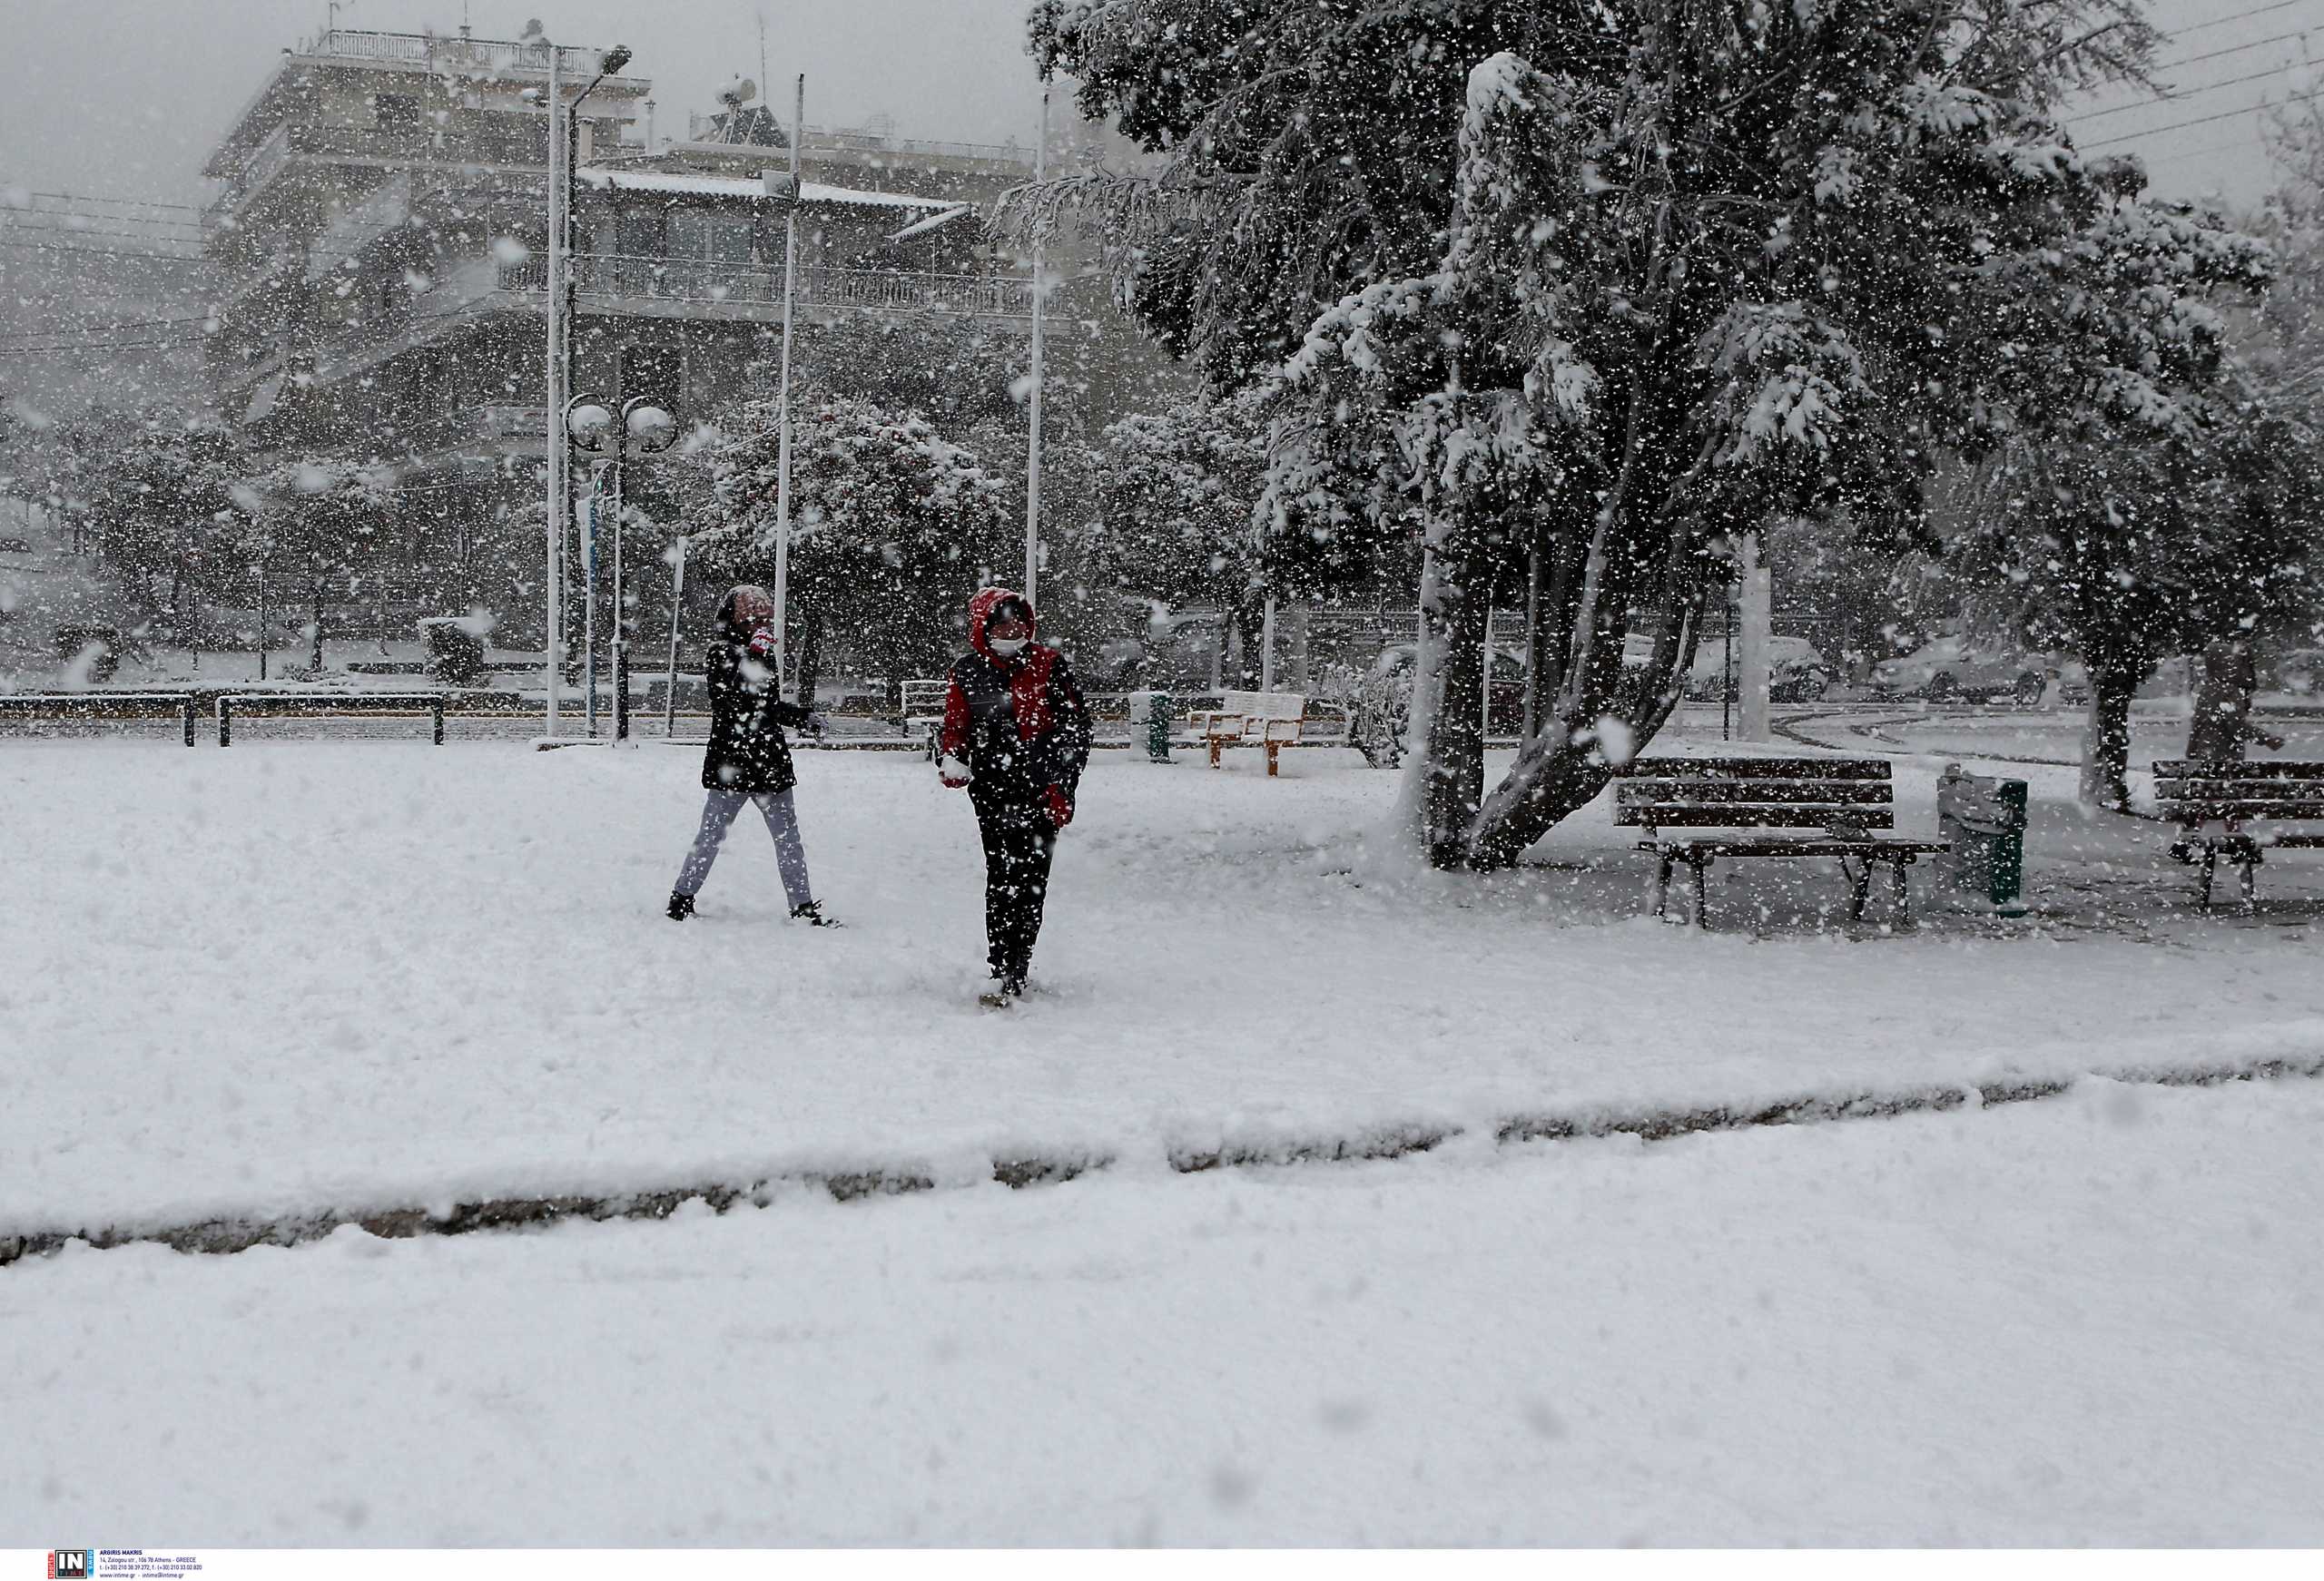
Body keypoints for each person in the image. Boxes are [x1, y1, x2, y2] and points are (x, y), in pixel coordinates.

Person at [938, 586, 1091, 1006]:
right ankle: (1002, 969)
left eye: (1018, 620)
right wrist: (952, 756)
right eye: (1002, 622)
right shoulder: (968, 670)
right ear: (984, 627)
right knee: (1002, 877)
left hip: (1042, 790)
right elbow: (957, 722)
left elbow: (1075, 730)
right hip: (993, 790)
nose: (1012, 628)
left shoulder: (1050, 665)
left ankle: (1018, 964)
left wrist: (1061, 783)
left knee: (1032, 882)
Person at [666, 584, 837, 926]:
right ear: (732, 618)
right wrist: (755, 657)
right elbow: (729, 703)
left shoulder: (761, 652)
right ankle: (681, 898)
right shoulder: (720, 652)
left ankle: (802, 907)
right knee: (711, 835)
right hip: (733, 761)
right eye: (749, 619)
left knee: (788, 839)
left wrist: (801, 717)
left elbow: (765, 706)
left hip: (768, 761)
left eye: (761, 619)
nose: (756, 625)